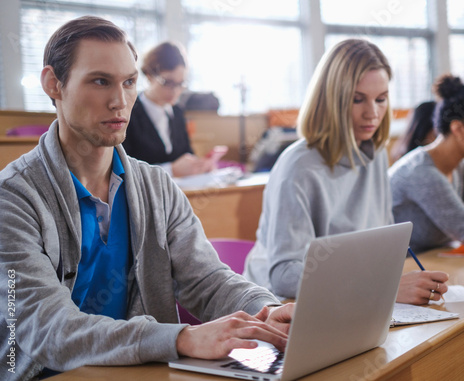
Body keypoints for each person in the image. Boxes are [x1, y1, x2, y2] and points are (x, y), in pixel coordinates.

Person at [0, 16, 293, 380]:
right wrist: (182, 338)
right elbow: (48, 329)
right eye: (100, 81)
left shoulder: (157, 185)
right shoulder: (11, 199)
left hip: (145, 372)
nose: (120, 100)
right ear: (53, 84)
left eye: (129, 82)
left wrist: (264, 310)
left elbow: (206, 279)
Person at [243, 39, 449, 306]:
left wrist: (388, 280)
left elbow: (383, 241)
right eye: (357, 99)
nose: (372, 113)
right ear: (332, 99)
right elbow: (284, 276)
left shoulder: (374, 154)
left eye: (381, 99)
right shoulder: (298, 166)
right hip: (279, 306)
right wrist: (379, 288)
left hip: (349, 297)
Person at [390, 74, 464, 253]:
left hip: (435, 263)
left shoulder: (461, 165)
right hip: (403, 270)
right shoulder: (422, 173)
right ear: (457, 129)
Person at [122, 41, 219, 177]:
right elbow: (124, 168)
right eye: (168, 82)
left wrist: (199, 166)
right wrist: (171, 170)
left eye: (180, 84)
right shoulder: (128, 113)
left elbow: (187, 153)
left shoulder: (177, 112)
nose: (175, 91)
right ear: (149, 75)